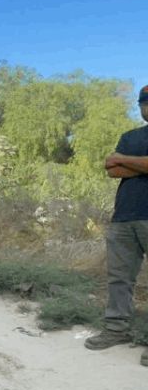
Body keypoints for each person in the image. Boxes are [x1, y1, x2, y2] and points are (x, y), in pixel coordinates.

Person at [84, 85, 148, 366]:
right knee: (119, 278)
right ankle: (116, 329)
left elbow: (119, 163)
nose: (146, 106)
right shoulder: (129, 137)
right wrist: (138, 163)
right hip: (124, 216)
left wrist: (125, 161)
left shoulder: (126, 146)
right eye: (143, 102)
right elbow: (112, 169)